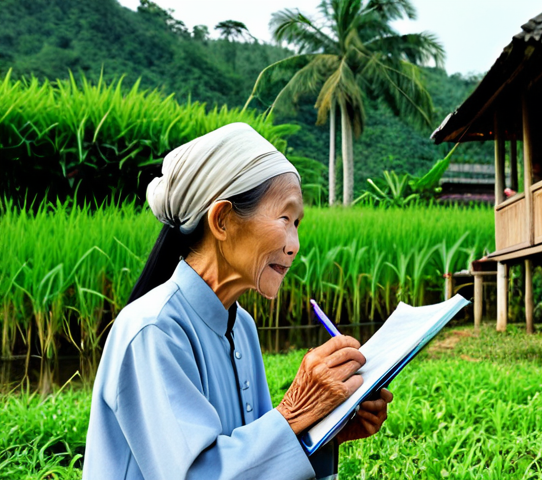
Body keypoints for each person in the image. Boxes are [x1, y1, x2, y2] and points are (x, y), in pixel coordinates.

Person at [83, 123, 393, 480]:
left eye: (298, 224)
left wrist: (321, 433)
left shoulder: (241, 324)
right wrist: (293, 412)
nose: (294, 244)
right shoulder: (153, 330)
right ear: (223, 220)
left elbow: (254, 462)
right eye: (285, 218)